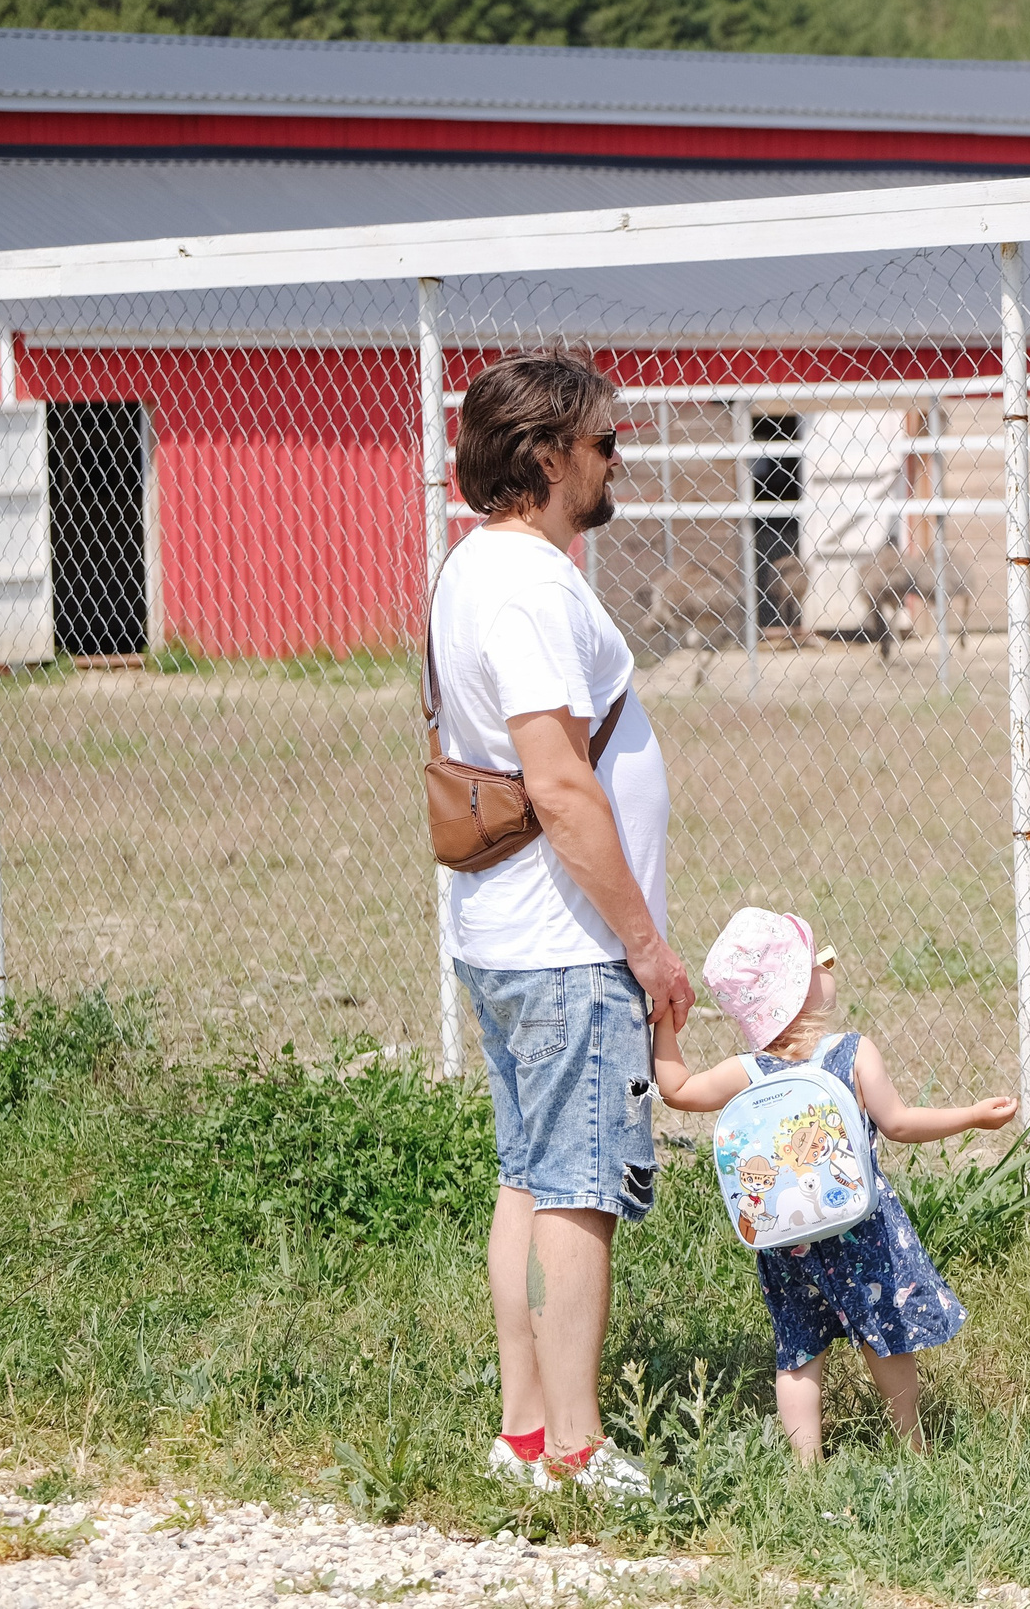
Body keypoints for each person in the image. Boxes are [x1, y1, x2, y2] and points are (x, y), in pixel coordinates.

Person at [433, 352, 692, 1497]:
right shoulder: (532, 587)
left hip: (508, 934)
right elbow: (560, 785)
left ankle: (526, 1432)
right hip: (565, 941)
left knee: (528, 1182)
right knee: (577, 1191)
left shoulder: (476, 566)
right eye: (605, 442)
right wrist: (643, 944)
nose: (616, 458)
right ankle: (578, 1451)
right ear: (546, 458)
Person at [653, 906, 1019, 1459]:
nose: (830, 965)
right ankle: (912, 1443)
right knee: (887, 1336)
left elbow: (677, 1090)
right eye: (819, 959)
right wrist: (971, 1115)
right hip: (861, 1227)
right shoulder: (850, 1052)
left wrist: (662, 1019)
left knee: (798, 1352)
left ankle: (806, 1468)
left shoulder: (747, 1071)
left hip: (787, 1239)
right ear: (798, 990)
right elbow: (898, 1124)